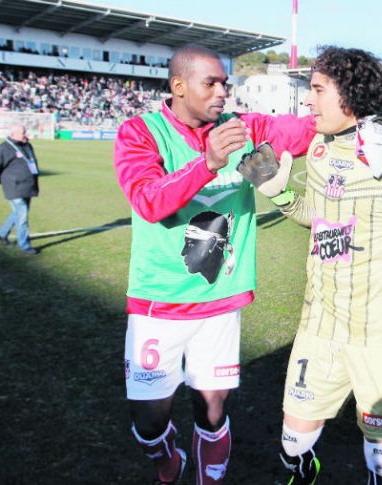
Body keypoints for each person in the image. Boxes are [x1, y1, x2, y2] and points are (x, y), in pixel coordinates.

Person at [248, 46, 382, 484]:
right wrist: (280, 193)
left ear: (349, 93)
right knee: (292, 446)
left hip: (378, 339)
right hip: (319, 327)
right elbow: (318, 218)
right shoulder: (322, 150)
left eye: (317, 90)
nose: (309, 100)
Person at [113, 44, 315, 485]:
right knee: (149, 421)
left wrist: (357, 109)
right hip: (158, 304)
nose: (223, 91)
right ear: (179, 86)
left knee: (212, 408)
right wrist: (208, 163)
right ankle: (168, 457)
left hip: (219, 301)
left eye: (225, 82)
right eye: (211, 83)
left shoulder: (240, 128)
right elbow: (148, 201)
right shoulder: (139, 133)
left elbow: (300, 132)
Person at [0, 124, 40, 255]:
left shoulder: (27, 145)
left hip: (28, 185)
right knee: (22, 215)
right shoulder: (3, 148)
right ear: (13, 134)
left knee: (18, 213)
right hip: (13, 186)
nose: (26, 134)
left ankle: (1, 233)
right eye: (23, 132)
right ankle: (25, 245)